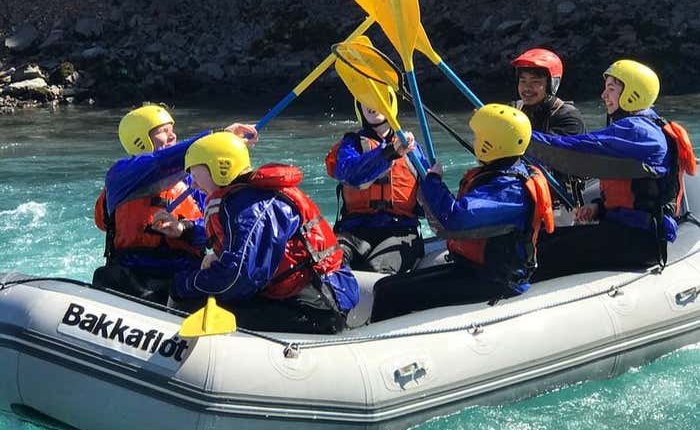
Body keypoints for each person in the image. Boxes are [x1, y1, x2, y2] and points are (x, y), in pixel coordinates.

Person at [371, 104, 554, 320]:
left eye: (479, 137)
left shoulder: (508, 189)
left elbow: (453, 219)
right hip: (474, 270)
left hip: (496, 282)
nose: (475, 140)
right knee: (385, 286)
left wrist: (433, 181)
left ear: (491, 144)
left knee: (389, 293)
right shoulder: (501, 173)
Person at [170, 131, 359, 334]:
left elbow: (237, 279)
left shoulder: (252, 208)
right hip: (311, 296)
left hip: (316, 305)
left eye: (195, 175)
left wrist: (185, 284)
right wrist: (190, 234)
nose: (194, 184)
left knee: (189, 302)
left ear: (219, 168)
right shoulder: (245, 199)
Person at [527, 60, 696, 277]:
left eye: (611, 89)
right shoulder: (641, 126)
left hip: (638, 240)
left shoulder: (639, 132)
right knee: (539, 239)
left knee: (536, 254)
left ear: (632, 93)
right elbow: (635, 190)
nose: (603, 95)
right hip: (623, 230)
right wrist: (599, 207)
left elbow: (572, 153)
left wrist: (522, 138)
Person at [93, 103, 257, 304]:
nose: (173, 137)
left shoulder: (195, 181)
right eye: (163, 132)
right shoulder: (121, 177)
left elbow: (214, 231)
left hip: (183, 274)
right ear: (140, 140)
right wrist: (216, 138)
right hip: (132, 273)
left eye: (172, 131)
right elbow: (159, 163)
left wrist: (184, 229)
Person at [325, 89, 429, 274]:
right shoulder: (352, 143)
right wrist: (389, 152)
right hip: (355, 230)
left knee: (376, 269)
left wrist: (434, 179)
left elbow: (428, 197)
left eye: (378, 98)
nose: (372, 103)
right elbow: (350, 174)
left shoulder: (413, 148)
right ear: (359, 107)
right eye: (366, 99)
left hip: (400, 231)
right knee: (328, 264)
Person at [511, 48, 587, 208]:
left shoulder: (569, 118)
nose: (526, 88)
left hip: (560, 202)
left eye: (535, 82)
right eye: (523, 81)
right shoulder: (513, 110)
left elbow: (549, 153)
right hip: (522, 196)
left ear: (552, 84)